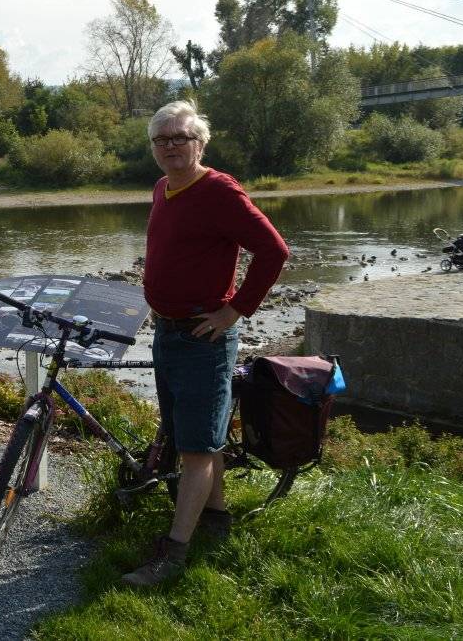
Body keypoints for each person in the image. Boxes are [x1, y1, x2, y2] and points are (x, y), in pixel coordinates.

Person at [122, 101, 289, 587]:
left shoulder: (219, 191)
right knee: (197, 434)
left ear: (200, 143)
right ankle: (216, 521)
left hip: (203, 336)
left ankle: (172, 554)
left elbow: (274, 251)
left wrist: (236, 310)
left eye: (181, 138)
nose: (171, 146)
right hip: (169, 331)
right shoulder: (162, 188)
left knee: (195, 450)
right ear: (153, 147)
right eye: (162, 139)